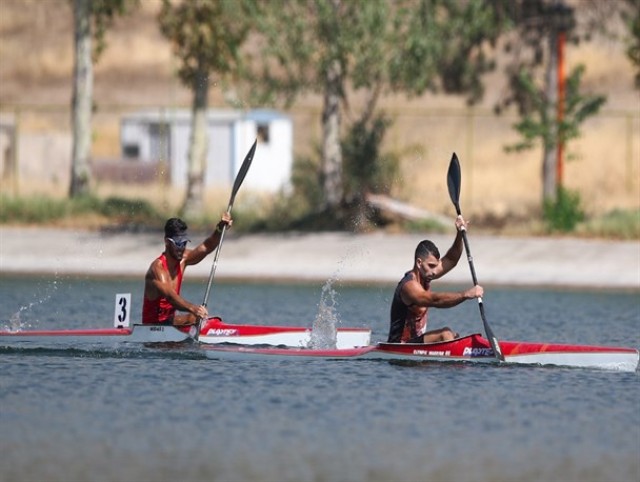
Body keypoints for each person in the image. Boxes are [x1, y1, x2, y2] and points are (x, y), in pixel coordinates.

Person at [387, 215, 484, 343]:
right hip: (398, 347)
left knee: (449, 335)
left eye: (436, 266)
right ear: (419, 263)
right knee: (445, 333)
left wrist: (460, 234)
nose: (434, 271)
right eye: (431, 266)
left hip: (415, 345)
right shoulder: (409, 287)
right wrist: (465, 294)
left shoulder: (426, 274)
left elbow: (451, 259)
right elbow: (434, 300)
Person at [141, 213, 232, 325]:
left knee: (196, 319)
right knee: (193, 315)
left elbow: (206, 247)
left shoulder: (184, 260)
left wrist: (219, 229)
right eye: (178, 243)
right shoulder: (157, 269)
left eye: (184, 242)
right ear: (166, 241)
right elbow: (171, 297)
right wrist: (193, 308)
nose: (182, 248)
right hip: (152, 327)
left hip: (170, 323)